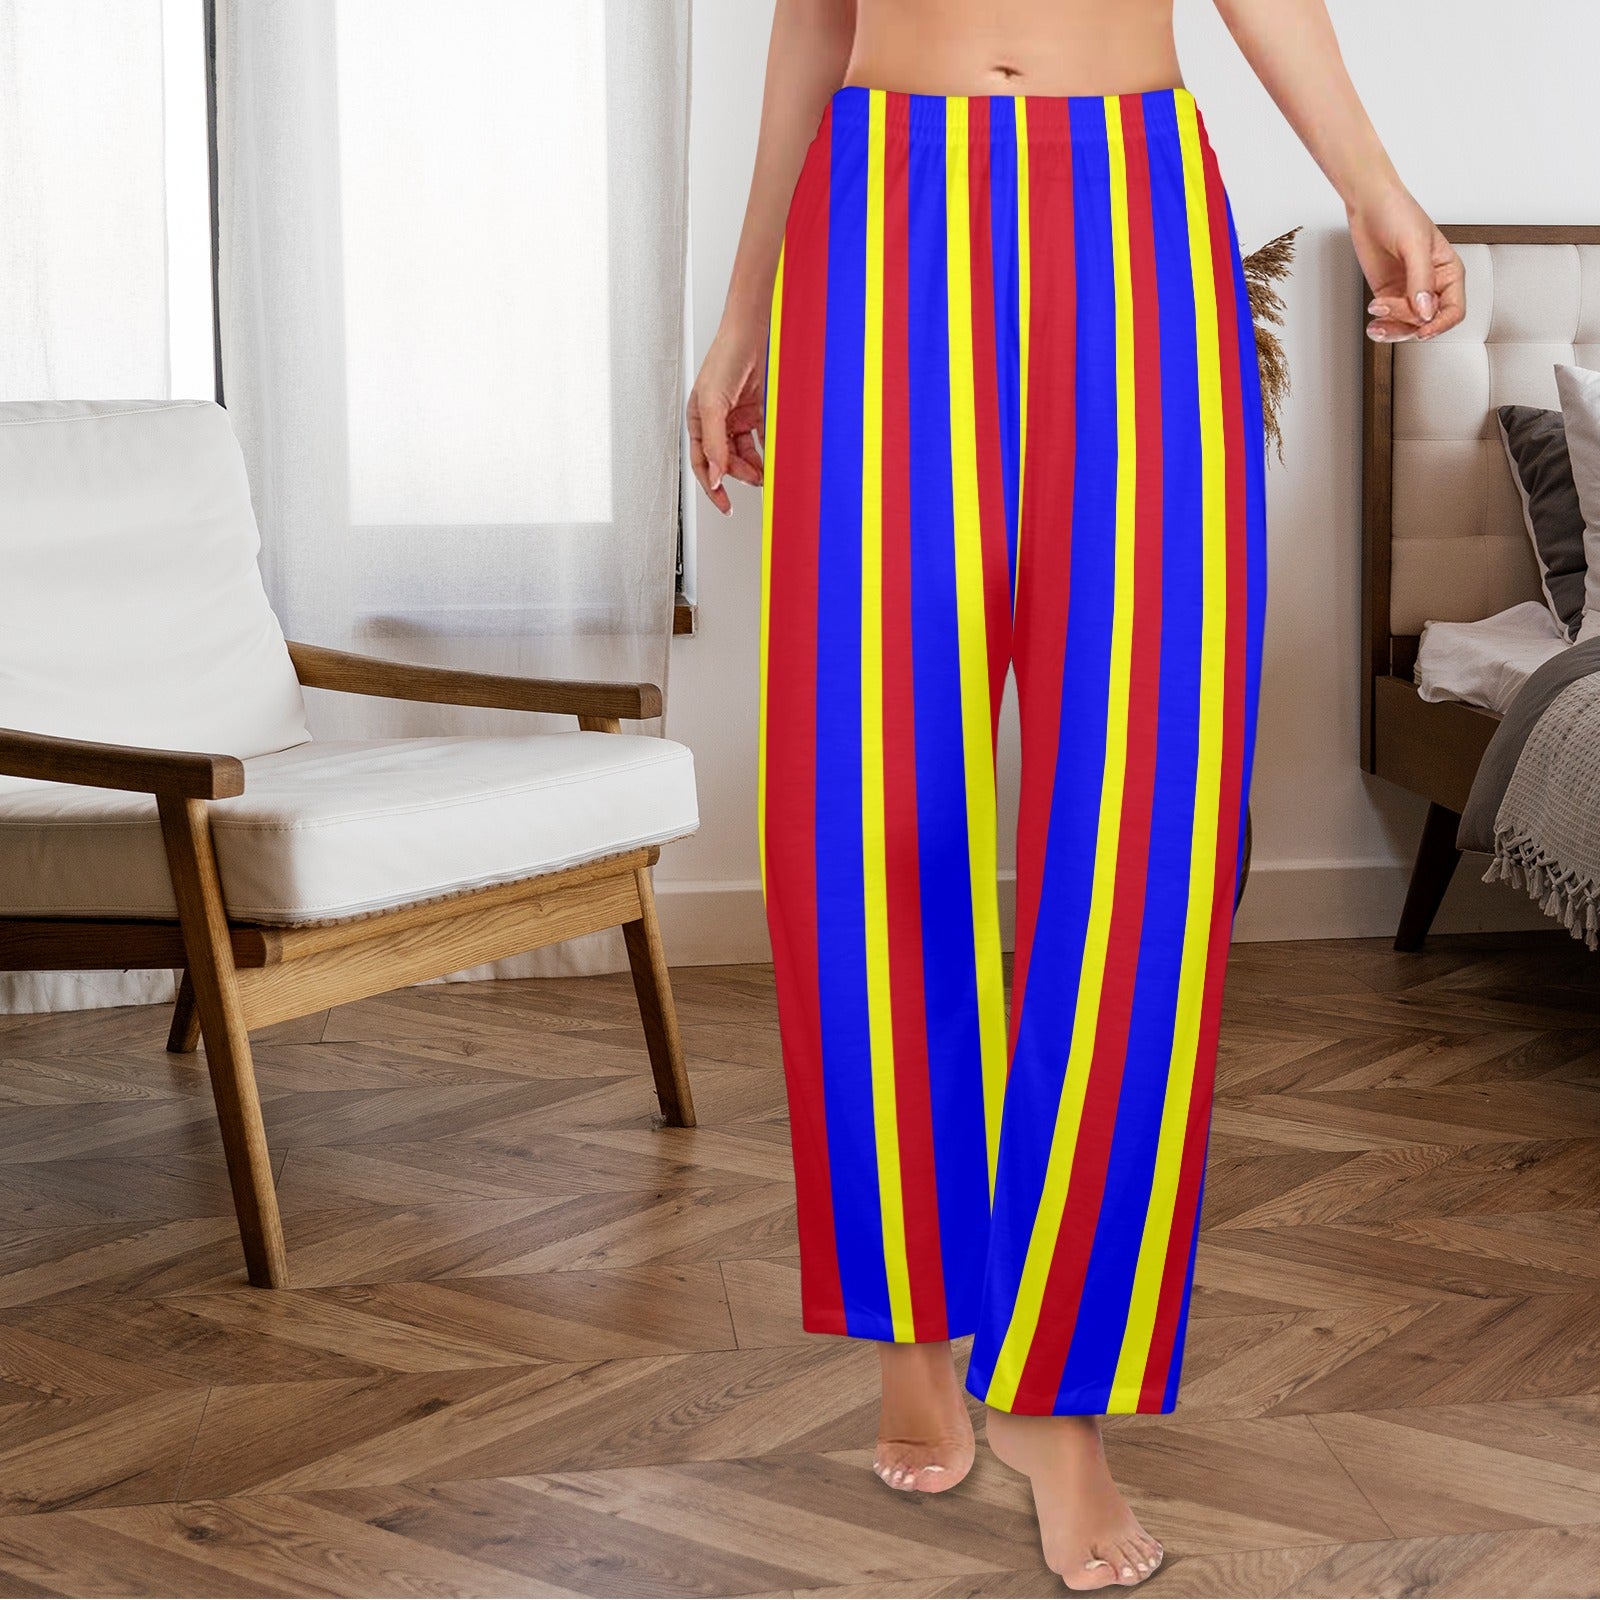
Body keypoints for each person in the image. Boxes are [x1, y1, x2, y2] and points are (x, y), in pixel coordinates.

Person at [686, 1, 1465, 1589]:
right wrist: (744, 306)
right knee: (870, 811)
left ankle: (1063, 1390)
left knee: (1146, 826)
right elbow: (809, 18)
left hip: (1130, 210)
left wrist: (1375, 180)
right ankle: (913, 1308)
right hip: (881, 204)